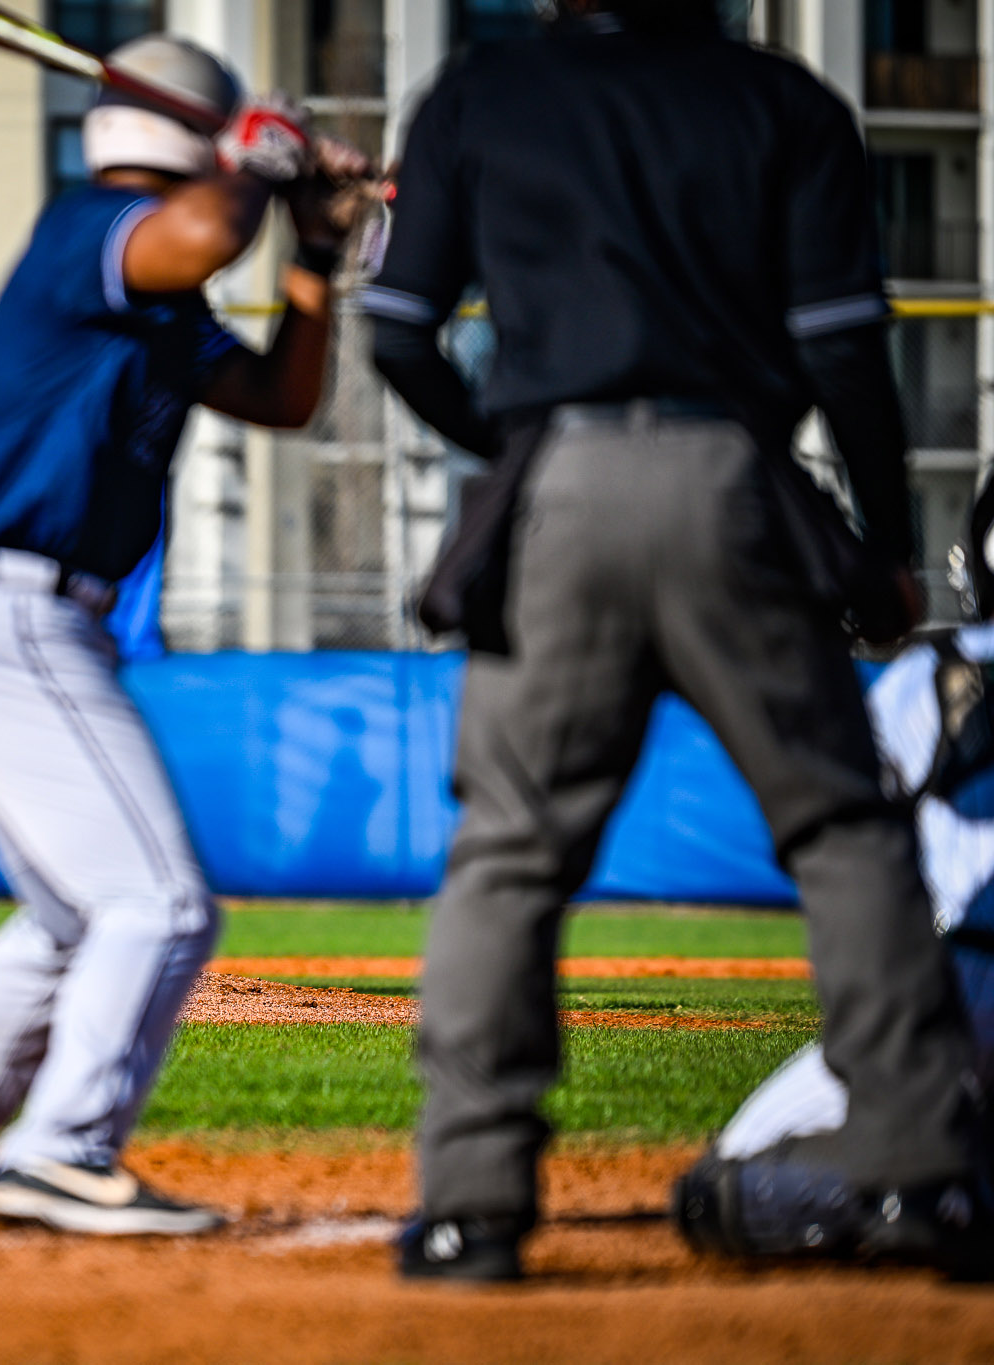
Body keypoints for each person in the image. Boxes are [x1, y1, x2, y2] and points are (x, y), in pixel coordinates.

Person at [364, 0, 988, 1280]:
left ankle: (467, 1208)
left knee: (508, 856)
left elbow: (394, 330)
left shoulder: (480, 94)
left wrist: (510, 454)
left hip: (553, 487)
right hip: (734, 480)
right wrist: (878, 542)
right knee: (839, 831)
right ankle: (918, 1175)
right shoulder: (782, 101)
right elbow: (840, 349)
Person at [0, 34, 370, 1235]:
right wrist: (260, 164)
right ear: (193, 144)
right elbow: (200, 234)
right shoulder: (93, 228)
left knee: (80, 917)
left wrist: (318, 252)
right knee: (162, 908)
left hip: (27, 620)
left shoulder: (160, 300)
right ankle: (61, 1152)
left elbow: (282, 397)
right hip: (7, 611)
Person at [678, 483, 994, 1260]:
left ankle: (941, 1196)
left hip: (957, 995)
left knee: (720, 1192)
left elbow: (860, 851)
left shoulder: (939, 670)